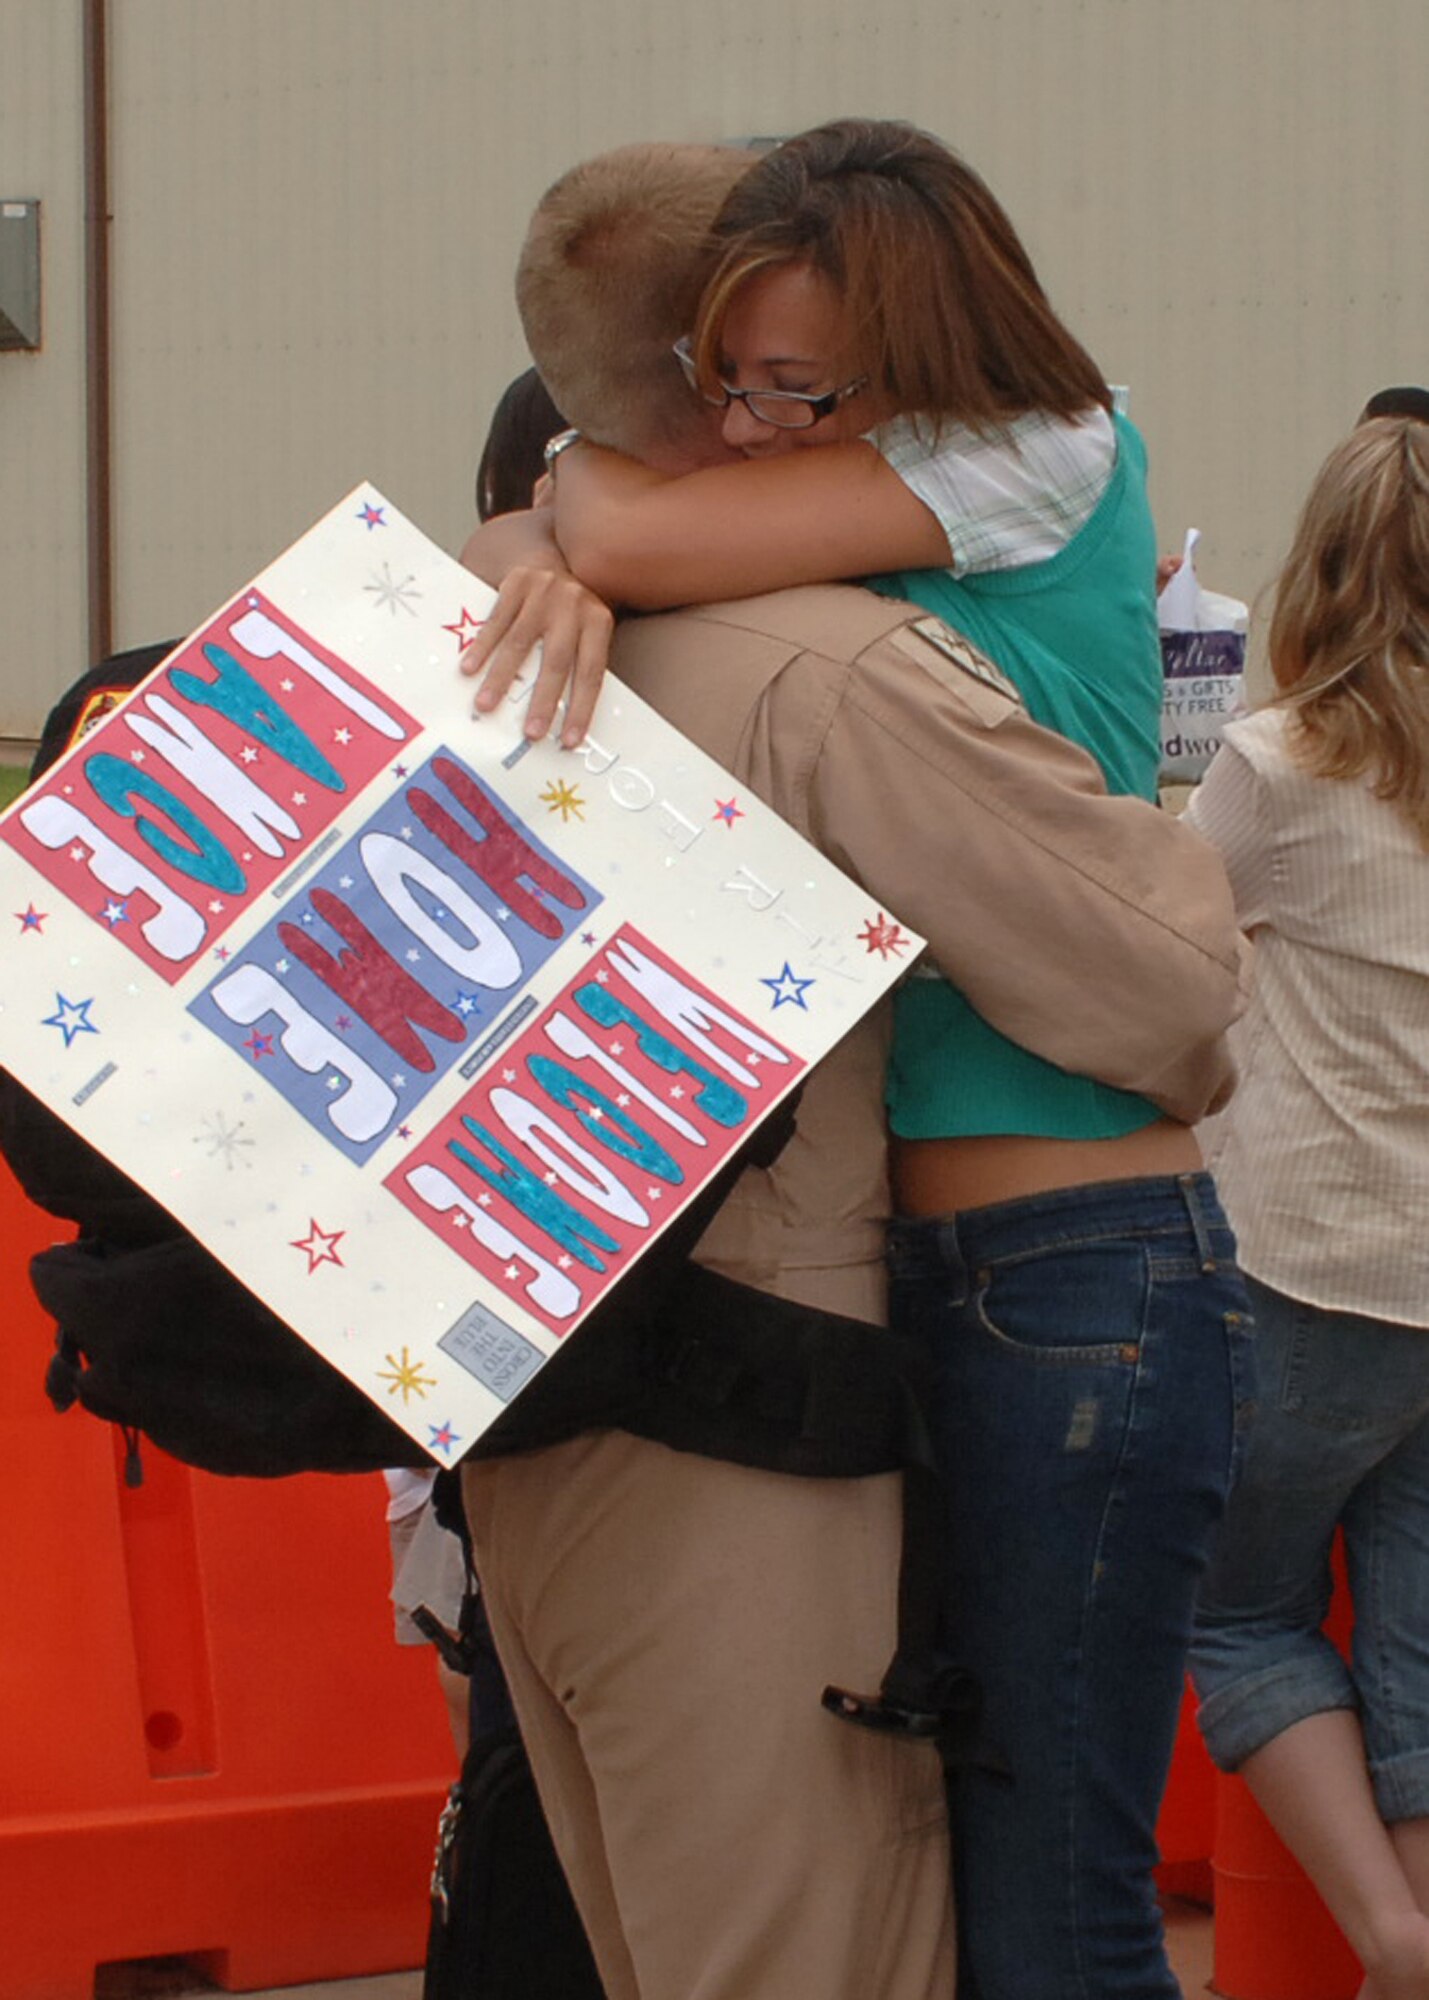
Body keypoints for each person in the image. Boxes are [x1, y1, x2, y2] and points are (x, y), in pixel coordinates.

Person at [453, 140, 1250, 2000]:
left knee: (1047, 1906)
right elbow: (567, 517)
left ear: (923, 350)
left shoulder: (1038, 447)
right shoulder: (844, 495)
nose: (744, 427)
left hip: (1073, 1254)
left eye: (792, 387)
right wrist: (526, 542)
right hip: (934, 1267)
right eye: (721, 378)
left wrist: (554, 522)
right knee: (966, 1890)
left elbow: (626, 532)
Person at [1187, 417, 1429, 2000]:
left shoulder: (1275, 770)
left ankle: (1393, 1941)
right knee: (1419, 1661)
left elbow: (1156, 946)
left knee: (1237, 1615)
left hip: (1308, 1270)